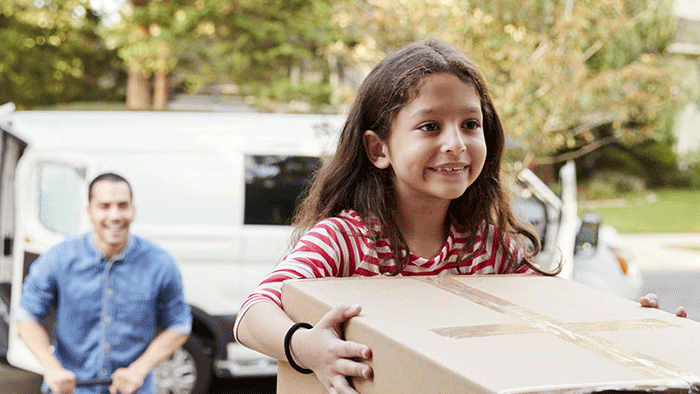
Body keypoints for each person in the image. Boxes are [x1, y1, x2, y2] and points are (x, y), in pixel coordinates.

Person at [234, 39, 684, 394]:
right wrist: (307, 347)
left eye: (471, 124)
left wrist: (632, 334)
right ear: (379, 149)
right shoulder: (346, 239)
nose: (457, 143)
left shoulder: (493, 247)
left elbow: (555, 336)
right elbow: (253, 314)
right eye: (430, 126)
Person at [16, 173, 192, 394]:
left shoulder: (160, 264)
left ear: (133, 210)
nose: (115, 215)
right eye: (104, 206)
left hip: (134, 389)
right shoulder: (58, 259)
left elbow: (179, 325)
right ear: (89, 211)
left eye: (122, 205)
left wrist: (139, 369)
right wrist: (51, 367)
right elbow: (26, 316)